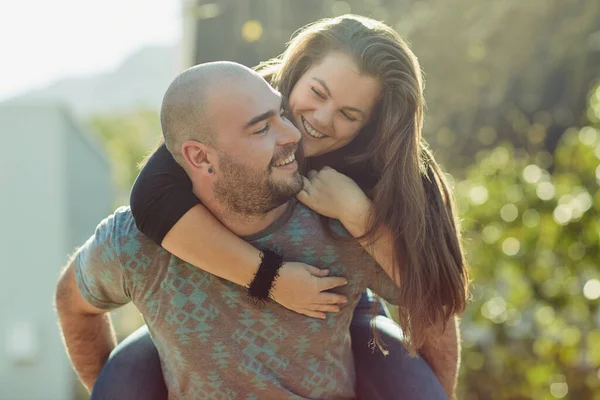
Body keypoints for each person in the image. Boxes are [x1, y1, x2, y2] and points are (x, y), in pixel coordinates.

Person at [98, 14, 468, 399]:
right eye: (318, 93)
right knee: (123, 375)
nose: (321, 119)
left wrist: (357, 213)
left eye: (349, 114)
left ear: (371, 124)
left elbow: (434, 295)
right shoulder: (250, 105)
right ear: (297, 71)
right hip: (212, 300)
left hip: (340, 301)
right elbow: (152, 198)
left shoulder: (391, 163)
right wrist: (271, 280)